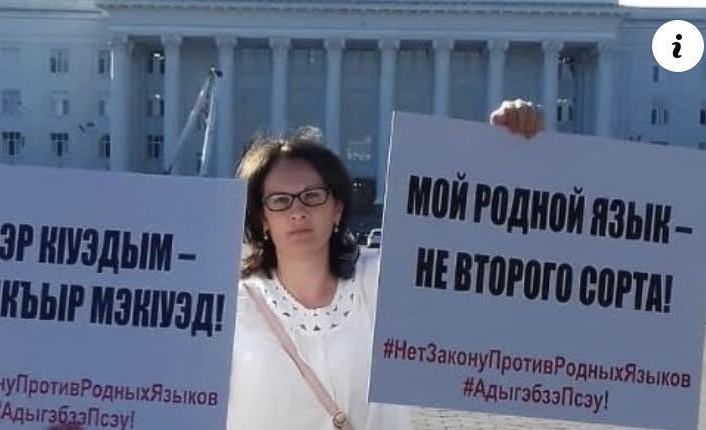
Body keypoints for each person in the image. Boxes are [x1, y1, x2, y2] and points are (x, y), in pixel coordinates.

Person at [225, 99, 544, 430]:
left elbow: (481, 255)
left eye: (313, 196)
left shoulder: (383, 281)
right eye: (280, 201)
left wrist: (508, 152)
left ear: (337, 209)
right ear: (262, 218)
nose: (298, 212)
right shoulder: (229, 305)